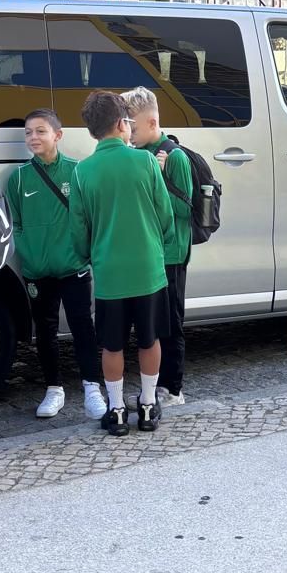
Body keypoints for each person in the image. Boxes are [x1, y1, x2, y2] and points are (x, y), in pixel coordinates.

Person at [69, 91, 173, 437]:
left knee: (111, 345)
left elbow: (78, 230)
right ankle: (145, 405)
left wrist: (89, 254)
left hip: (109, 271)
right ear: (121, 124)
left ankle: (115, 410)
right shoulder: (145, 162)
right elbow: (165, 215)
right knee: (149, 339)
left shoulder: (82, 172)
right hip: (147, 268)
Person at [6, 109, 106, 422]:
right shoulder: (19, 178)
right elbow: (16, 223)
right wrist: (30, 253)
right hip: (37, 271)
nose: (33, 138)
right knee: (45, 331)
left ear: (57, 136)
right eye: (28, 133)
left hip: (73, 267)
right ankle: (54, 388)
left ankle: (92, 387)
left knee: (82, 327)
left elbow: (89, 216)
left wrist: (80, 252)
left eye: (40, 131)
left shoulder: (77, 172)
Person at [123, 87, 192, 408]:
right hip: (152, 252)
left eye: (133, 127)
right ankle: (158, 385)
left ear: (152, 122)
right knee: (156, 324)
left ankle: (173, 388)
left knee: (171, 322)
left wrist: (162, 177)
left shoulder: (174, 157)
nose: (129, 133)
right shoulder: (141, 156)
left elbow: (184, 209)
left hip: (172, 254)